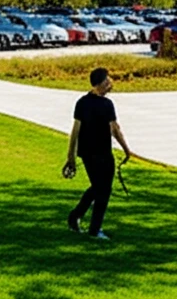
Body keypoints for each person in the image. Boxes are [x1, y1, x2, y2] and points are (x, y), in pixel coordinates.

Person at [63, 67, 132, 240]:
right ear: (99, 84)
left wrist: (71, 154)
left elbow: (75, 131)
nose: (110, 84)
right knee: (102, 189)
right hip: (97, 153)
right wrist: (126, 149)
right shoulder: (105, 105)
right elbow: (115, 129)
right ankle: (94, 230)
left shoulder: (83, 102)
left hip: (92, 154)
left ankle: (75, 217)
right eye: (107, 81)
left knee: (99, 188)